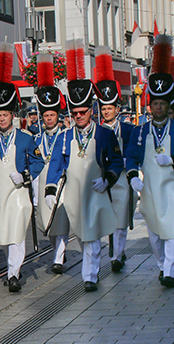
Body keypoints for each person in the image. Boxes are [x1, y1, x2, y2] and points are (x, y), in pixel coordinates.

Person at [45, 37, 122, 292]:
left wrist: (108, 179)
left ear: (91, 111)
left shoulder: (105, 135)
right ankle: (89, 270)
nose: (78, 116)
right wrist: (49, 189)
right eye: (74, 113)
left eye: (83, 112)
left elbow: (117, 161)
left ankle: (90, 275)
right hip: (74, 194)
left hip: (97, 190)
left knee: (93, 235)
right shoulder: (64, 137)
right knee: (81, 234)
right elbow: (56, 163)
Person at [0, 43, 44, 292]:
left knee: (16, 233)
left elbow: (38, 161)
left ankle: (14, 273)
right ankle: (10, 266)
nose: (2, 119)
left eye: (5, 115)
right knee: (4, 233)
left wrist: (24, 175)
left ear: (13, 115)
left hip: (18, 193)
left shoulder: (25, 138)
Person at [125, 64, 174, 288]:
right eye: (155, 104)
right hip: (150, 190)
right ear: (150, 107)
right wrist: (132, 176)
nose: (158, 107)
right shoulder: (140, 131)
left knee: (173, 228)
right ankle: (162, 265)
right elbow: (131, 156)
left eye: (162, 104)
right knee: (155, 235)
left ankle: (169, 271)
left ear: (168, 105)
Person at [94, 46, 136, 273]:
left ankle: (117, 255)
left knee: (120, 220)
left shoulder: (129, 130)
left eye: (109, 108)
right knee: (105, 221)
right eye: (103, 108)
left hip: (122, 180)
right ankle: (110, 253)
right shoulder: (97, 132)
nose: (106, 112)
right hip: (103, 180)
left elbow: (133, 152)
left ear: (117, 109)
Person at [31, 52, 70, 274]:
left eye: (52, 115)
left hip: (61, 183)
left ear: (57, 115)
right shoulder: (36, 139)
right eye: (45, 115)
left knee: (61, 220)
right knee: (48, 222)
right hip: (41, 184)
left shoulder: (66, 136)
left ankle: (58, 257)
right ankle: (57, 250)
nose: (48, 118)